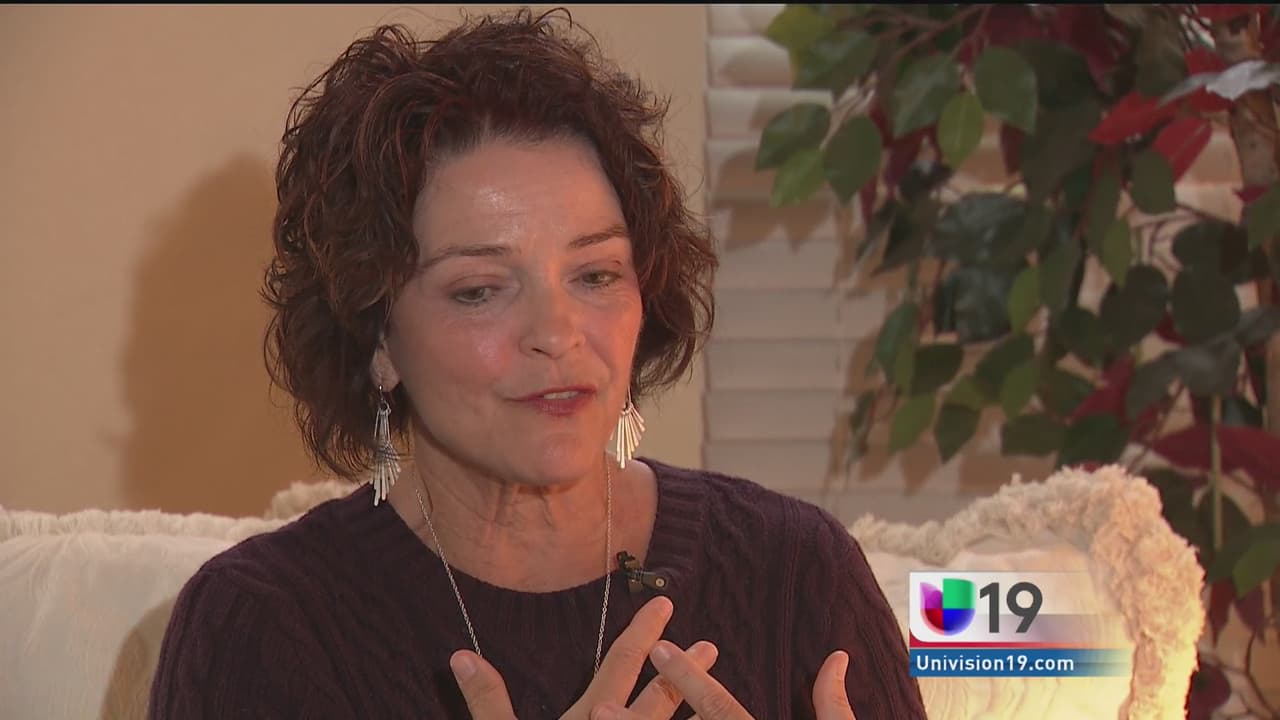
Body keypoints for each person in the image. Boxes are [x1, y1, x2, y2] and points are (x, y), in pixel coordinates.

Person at [148, 8, 925, 719]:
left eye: (596, 275)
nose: (557, 333)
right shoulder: (262, 624)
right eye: (480, 290)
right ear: (377, 339)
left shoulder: (797, 572)